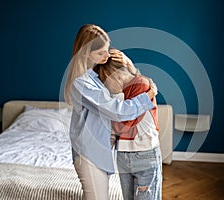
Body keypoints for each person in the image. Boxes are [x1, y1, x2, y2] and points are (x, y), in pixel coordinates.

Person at [64, 24, 158, 200]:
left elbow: (123, 84)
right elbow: (117, 110)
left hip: (98, 151)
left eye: (107, 50)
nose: (106, 56)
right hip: (89, 153)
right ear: (85, 53)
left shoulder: (95, 76)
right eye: (101, 53)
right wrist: (148, 96)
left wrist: (128, 64)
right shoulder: (82, 83)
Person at [94, 48, 162, 200]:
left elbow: (124, 123)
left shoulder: (142, 83)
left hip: (144, 154)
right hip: (123, 156)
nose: (105, 88)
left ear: (110, 75)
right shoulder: (118, 94)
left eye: (104, 82)